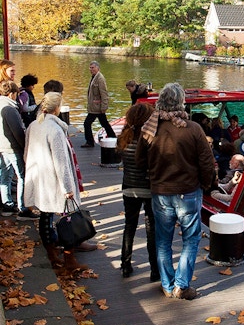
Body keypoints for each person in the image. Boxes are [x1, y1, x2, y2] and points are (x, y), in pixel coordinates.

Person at [136, 82, 215, 300]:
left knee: (163, 240)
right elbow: (207, 164)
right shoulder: (193, 129)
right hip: (188, 192)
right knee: (191, 239)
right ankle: (182, 285)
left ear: (160, 102)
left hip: (160, 192)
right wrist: (207, 185)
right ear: (181, 102)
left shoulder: (150, 128)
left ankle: (167, 285)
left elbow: (139, 161)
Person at [24, 92, 88, 272]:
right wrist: (67, 187)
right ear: (57, 108)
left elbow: (26, 152)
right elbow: (61, 162)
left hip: (39, 176)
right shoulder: (55, 130)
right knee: (68, 218)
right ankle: (70, 259)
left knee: (45, 215)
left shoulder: (34, 125)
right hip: (53, 179)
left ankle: (52, 254)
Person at [116, 103, 159, 281]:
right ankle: (154, 270)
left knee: (129, 226)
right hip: (149, 190)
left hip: (129, 187)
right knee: (151, 230)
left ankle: (125, 265)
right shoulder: (151, 139)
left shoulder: (124, 138)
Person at [0, 80, 38, 220]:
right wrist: (25, 147)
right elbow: (17, 131)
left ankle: (7, 204)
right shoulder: (10, 109)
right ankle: (23, 208)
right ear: (12, 94)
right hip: (12, 148)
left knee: (5, 177)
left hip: (2, 147)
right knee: (22, 176)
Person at [82, 60, 116, 148]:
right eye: (90, 67)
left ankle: (90, 142)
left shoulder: (100, 79)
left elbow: (104, 93)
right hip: (94, 107)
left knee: (87, 123)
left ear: (97, 68)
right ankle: (113, 138)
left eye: (92, 67)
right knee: (104, 123)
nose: (91, 69)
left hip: (97, 107)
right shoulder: (94, 77)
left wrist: (104, 106)